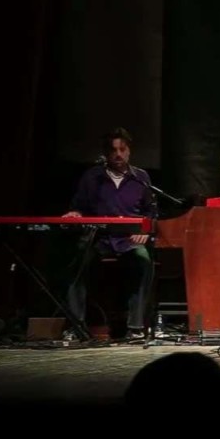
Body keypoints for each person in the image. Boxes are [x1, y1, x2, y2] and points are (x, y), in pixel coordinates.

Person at [62, 127, 155, 340]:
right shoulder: (92, 177)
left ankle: (135, 327)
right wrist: (75, 213)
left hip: (129, 240)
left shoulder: (140, 177)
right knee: (77, 262)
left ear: (129, 151)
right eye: (113, 150)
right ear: (106, 153)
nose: (118, 154)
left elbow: (151, 212)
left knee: (143, 261)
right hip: (99, 239)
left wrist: (145, 230)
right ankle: (76, 326)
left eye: (122, 149)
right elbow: (79, 207)